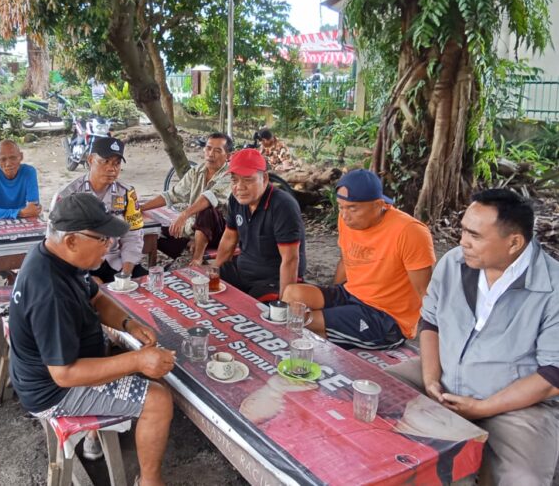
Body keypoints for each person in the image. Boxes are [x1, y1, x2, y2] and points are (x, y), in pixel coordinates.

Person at [386, 189, 559, 485]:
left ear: (514, 243)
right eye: (464, 230)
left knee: (525, 478)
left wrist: (482, 408)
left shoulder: (553, 288)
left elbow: (552, 376)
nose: (462, 242)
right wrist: (430, 379)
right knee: (370, 393)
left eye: (475, 236)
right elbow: (431, 322)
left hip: (514, 403)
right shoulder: (453, 264)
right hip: (443, 374)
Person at [9, 193, 174, 486]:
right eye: (102, 239)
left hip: (56, 370)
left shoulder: (58, 256)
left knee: (132, 358)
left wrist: (128, 323)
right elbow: (65, 374)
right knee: (158, 399)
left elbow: (96, 297)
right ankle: (150, 481)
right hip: (53, 392)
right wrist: (136, 359)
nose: (110, 245)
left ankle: (99, 435)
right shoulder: (50, 293)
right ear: (72, 240)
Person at [283, 169, 435, 350]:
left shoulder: (410, 232)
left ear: (378, 204)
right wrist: (334, 297)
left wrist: (434, 339)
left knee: (302, 321)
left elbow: (425, 291)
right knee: (293, 294)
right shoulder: (346, 220)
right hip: (352, 294)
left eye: (353, 208)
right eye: (341, 206)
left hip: (385, 317)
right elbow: (347, 261)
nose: (345, 215)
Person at [214, 149, 305, 299]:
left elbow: (290, 259)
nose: (239, 187)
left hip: (273, 279)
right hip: (243, 271)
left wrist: (283, 303)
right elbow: (229, 238)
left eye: (248, 180)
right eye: (234, 180)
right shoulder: (236, 200)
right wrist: (215, 274)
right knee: (207, 287)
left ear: (264, 178)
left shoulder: (283, 205)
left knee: (256, 311)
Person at [51, 136, 145, 282]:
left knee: (147, 286)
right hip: (81, 264)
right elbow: (57, 243)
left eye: (117, 163)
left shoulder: (127, 193)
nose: (111, 168)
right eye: (105, 161)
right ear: (90, 160)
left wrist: (125, 274)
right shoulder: (68, 195)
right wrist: (86, 277)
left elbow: (133, 236)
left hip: (116, 261)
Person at [140, 132, 232, 265]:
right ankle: (192, 241)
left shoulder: (229, 175)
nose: (211, 154)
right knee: (156, 231)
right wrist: (142, 207)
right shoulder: (197, 171)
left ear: (228, 156)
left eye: (217, 151)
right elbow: (173, 194)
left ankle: (197, 259)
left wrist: (184, 215)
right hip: (197, 227)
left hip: (221, 233)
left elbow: (209, 198)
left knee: (206, 209)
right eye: (208, 148)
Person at [0, 140, 41, 220]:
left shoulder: (29, 172)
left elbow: (34, 208)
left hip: (23, 220)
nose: (8, 163)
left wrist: (26, 211)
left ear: (21, 157)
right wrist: (20, 213)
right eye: (3, 159)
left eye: (13, 158)